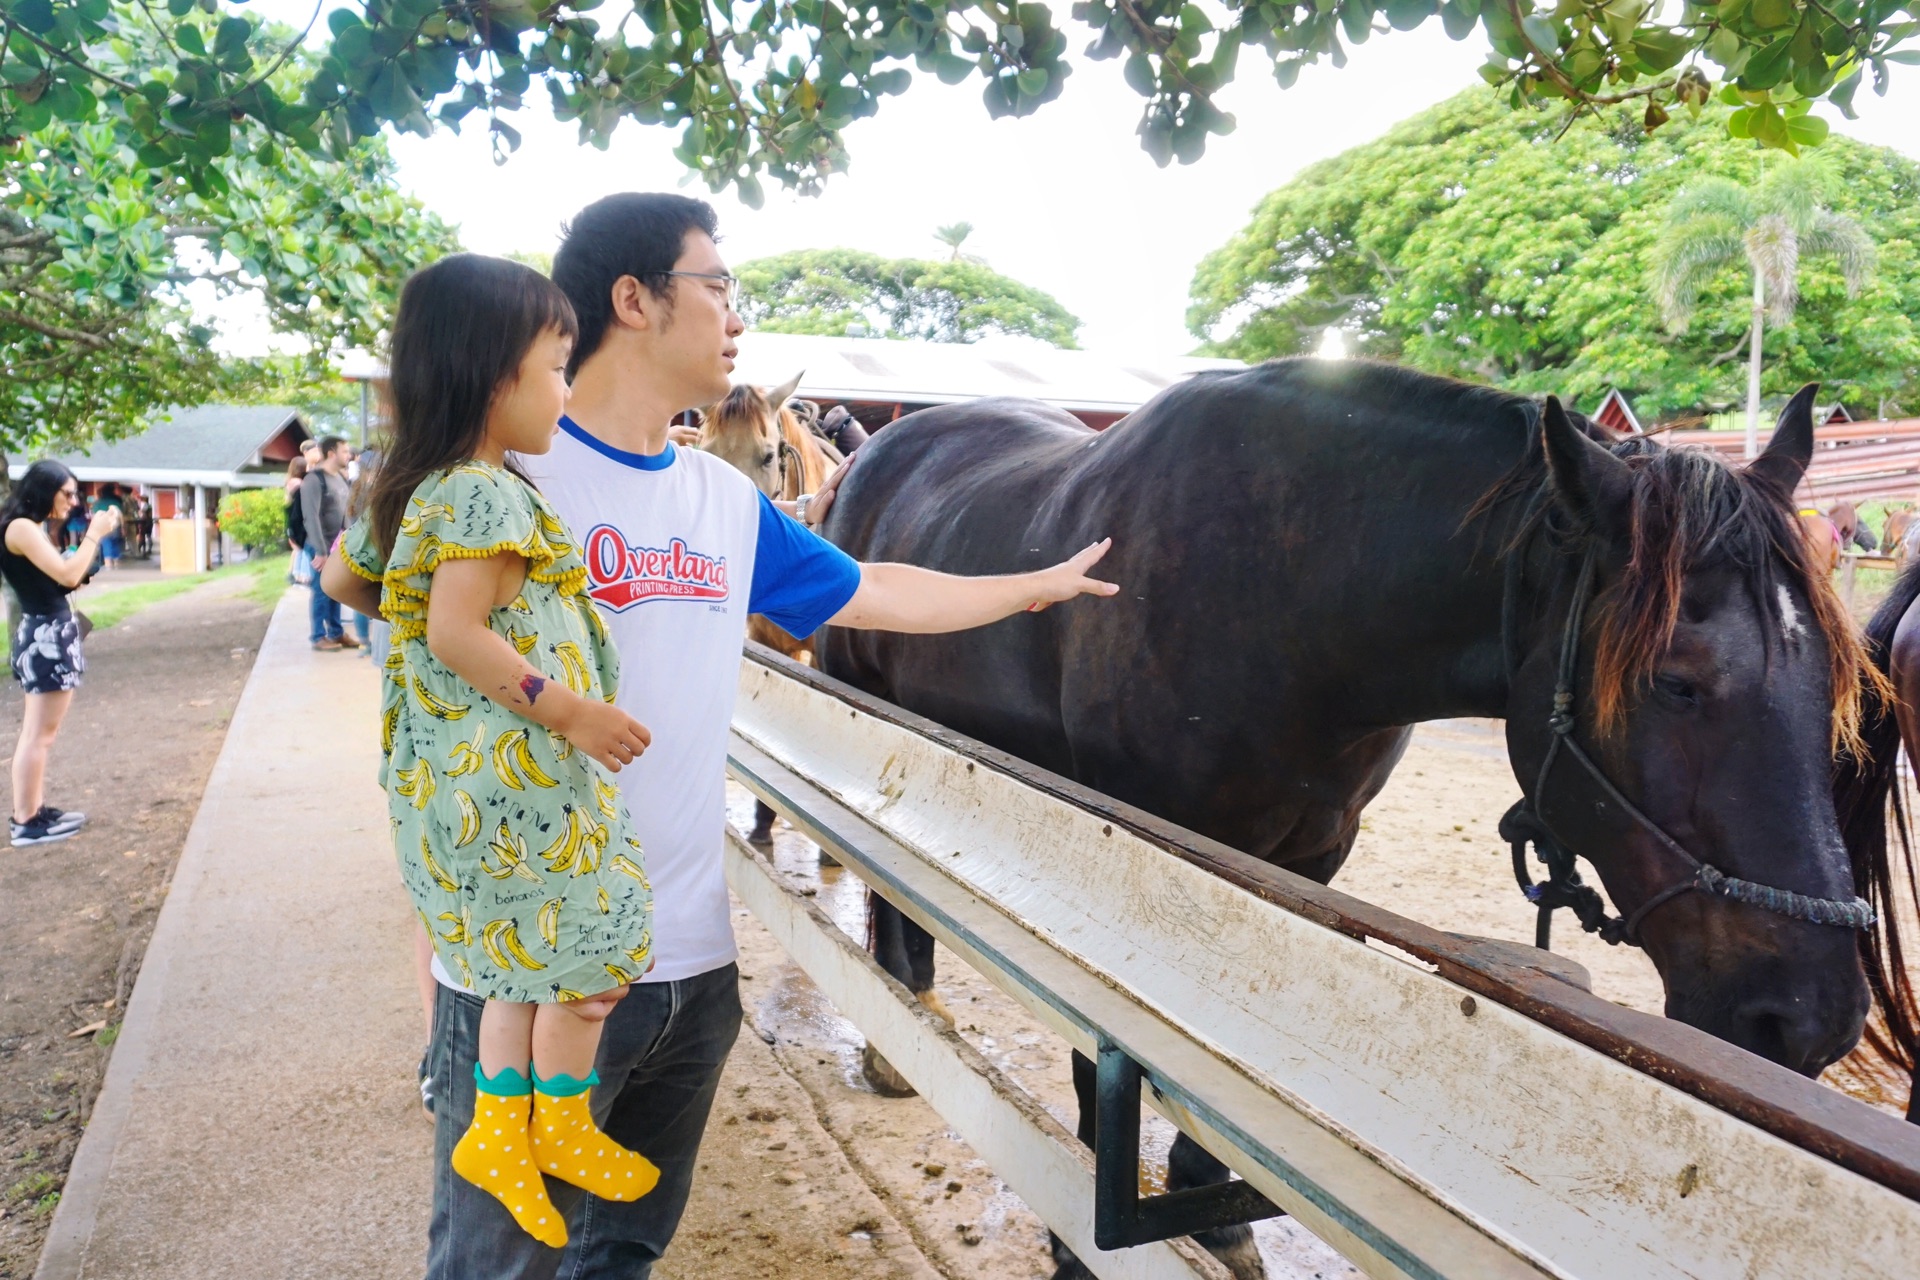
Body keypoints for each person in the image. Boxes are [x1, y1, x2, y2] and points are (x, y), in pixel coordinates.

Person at [345, 194, 1117, 1280]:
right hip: (535, 959)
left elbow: (875, 591)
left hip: (692, 971)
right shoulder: (496, 478)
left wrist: (1033, 584)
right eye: (719, 286)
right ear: (635, 299)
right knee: (494, 1267)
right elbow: (410, 677)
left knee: (620, 1252)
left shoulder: (720, 497)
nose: (736, 317)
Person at [321, 255, 661, 1248]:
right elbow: (457, 635)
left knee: (515, 963)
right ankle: (555, 1120)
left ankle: (503, 1133)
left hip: (459, 784)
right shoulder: (483, 493)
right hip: (519, 781)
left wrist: (435, 629)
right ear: (491, 373)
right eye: (557, 367)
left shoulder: (417, 485)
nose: (566, 390)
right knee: (593, 951)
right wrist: (566, 710)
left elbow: (352, 580)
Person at [0, 462, 119, 846]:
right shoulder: (20, 527)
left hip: (48, 633)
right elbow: (67, 576)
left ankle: (32, 810)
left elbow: (63, 577)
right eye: (66, 493)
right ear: (43, 489)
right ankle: (26, 821)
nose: (73, 501)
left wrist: (82, 557)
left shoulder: (27, 527)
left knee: (39, 734)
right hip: (45, 638)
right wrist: (95, 535)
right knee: (39, 735)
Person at [301, 437, 357, 651]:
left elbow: (345, 512)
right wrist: (321, 551)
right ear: (331, 453)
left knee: (335, 589)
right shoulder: (314, 480)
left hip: (337, 546)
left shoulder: (341, 479)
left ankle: (336, 632)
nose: (349, 455)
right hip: (320, 546)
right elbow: (311, 517)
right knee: (321, 590)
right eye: (344, 451)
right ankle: (318, 636)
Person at [92, 483, 127, 570]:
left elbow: (94, 515)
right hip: (116, 525)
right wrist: (123, 527)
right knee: (116, 543)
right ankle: (117, 563)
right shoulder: (117, 500)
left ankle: (108, 565)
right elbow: (121, 514)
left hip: (103, 525)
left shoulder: (98, 502)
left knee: (106, 543)